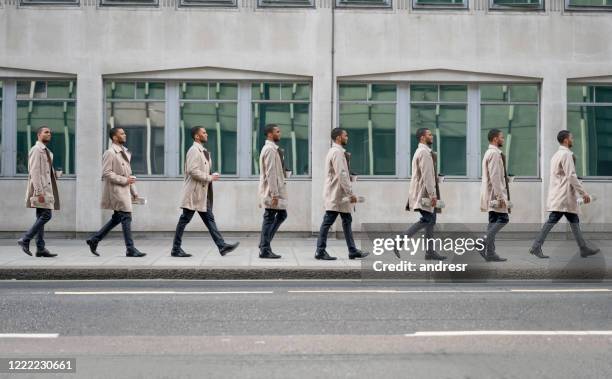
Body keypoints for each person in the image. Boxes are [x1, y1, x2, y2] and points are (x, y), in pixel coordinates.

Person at [170, 126, 239, 257]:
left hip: (201, 194)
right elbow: (192, 170)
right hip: (194, 193)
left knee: (209, 220)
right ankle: (175, 249)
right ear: (197, 136)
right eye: (204, 133)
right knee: (185, 219)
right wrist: (210, 177)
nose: (206, 134)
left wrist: (211, 175)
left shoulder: (202, 151)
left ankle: (222, 246)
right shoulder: (194, 150)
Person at [529, 130, 599, 258]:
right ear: (566, 140)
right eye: (571, 138)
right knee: (553, 220)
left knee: (574, 220)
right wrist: (584, 194)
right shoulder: (566, 155)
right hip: (563, 196)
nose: (573, 140)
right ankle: (535, 246)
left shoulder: (556, 155)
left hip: (561, 195)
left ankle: (583, 248)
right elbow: (571, 175)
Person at [86, 127, 146, 257]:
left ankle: (94, 239)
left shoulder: (124, 152)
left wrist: (134, 192)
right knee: (126, 217)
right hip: (116, 190)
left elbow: (129, 174)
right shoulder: (110, 153)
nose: (125, 135)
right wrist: (125, 180)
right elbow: (106, 173)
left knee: (117, 218)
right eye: (122, 133)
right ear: (114, 137)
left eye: (125, 133)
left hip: (124, 189)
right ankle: (130, 249)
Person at [315, 128, 369, 261]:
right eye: (345, 135)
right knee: (328, 221)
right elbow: (341, 174)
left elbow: (342, 173)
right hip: (337, 194)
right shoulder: (337, 152)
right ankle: (320, 251)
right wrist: (350, 193)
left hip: (339, 194)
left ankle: (352, 251)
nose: (347, 137)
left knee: (346, 220)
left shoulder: (337, 152)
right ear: (338, 137)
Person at [396, 128, 446, 261]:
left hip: (424, 192)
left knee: (431, 221)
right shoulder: (424, 152)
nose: (432, 136)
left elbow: (428, 174)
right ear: (422, 138)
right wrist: (433, 195)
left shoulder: (424, 152)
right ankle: (400, 240)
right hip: (425, 194)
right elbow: (427, 175)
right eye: (429, 135)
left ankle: (430, 252)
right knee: (427, 219)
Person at [17, 126, 60, 257]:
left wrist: (55, 174)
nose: (49, 134)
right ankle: (25, 239)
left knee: (41, 217)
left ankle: (40, 248)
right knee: (47, 215)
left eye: (50, 132)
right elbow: (34, 172)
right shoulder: (36, 150)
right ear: (39, 135)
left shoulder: (46, 151)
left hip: (46, 188)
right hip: (41, 190)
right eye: (46, 132)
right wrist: (39, 192)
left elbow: (44, 171)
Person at [258, 124, 288, 259]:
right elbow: (270, 173)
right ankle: (264, 248)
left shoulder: (272, 149)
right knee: (270, 217)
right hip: (272, 191)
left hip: (274, 189)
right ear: (270, 134)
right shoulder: (270, 150)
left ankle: (264, 244)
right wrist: (274, 194)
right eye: (277, 131)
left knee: (281, 215)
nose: (280, 133)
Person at [479, 128, 509, 262]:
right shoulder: (495, 154)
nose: (503, 139)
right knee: (503, 219)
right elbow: (495, 176)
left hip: (491, 193)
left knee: (492, 222)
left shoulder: (489, 152)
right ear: (495, 139)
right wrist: (500, 197)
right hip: (494, 195)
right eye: (502, 137)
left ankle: (490, 253)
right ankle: (482, 242)